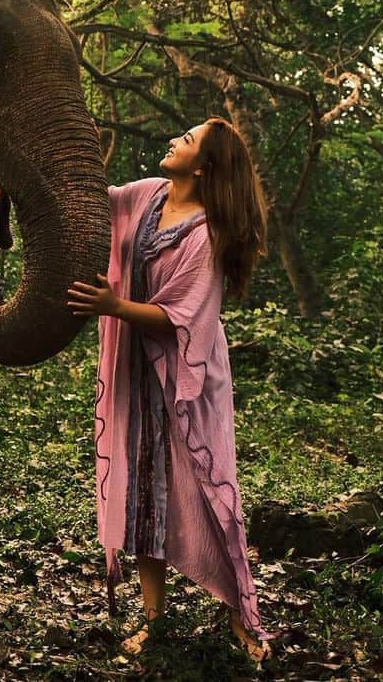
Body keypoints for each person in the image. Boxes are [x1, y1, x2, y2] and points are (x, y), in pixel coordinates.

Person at [67, 118, 272, 663]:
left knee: (206, 492)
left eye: (189, 139)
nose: (176, 139)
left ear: (203, 166)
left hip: (187, 383)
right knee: (140, 495)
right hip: (136, 373)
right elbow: (93, 202)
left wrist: (113, 307)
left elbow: (181, 318)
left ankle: (240, 616)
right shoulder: (147, 197)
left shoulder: (206, 235)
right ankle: (154, 623)